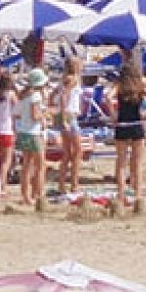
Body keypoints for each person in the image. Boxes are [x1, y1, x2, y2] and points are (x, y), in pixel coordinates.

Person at [109, 68, 146, 210]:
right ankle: (138, 195)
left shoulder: (119, 86)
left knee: (122, 163)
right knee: (137, 163)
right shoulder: (140, 87)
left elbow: (107, 97)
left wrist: (113, 114)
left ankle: (121, 195)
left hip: (122, 125)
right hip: (136, 125)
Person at [14, 68, 49, 207]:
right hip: (34, 133)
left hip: (23, 132)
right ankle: (39, 195)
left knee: (26, 165)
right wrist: (44, 115)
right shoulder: (36, 97)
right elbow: (35, 115)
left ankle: (26, 195)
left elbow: (16, 113)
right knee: (40, 166)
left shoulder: (24, 96)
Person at [52, 58, 85, 195]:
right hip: (69, 116)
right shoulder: (74, 79)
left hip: (62, 115)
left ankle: (62, 184)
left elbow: (53, 96)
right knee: (77, 152)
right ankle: (74, 184)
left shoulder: (63, 79)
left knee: (67, 153)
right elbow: (64, 96)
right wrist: (65, 117)